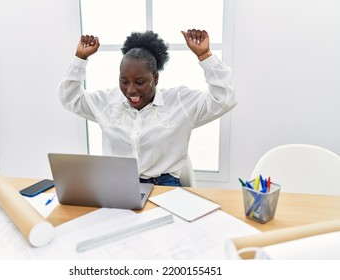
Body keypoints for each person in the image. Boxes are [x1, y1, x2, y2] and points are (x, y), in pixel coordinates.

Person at [58, 29, 236, 186]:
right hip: (118, 184)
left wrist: (205, 56)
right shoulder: (107, 101)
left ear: (156, 78)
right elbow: (70, 97)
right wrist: (80, 58)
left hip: (163, 186)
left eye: (140, 82)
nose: (131, 90)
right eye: (124, 81)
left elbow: (224, 99)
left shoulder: (179, 101)